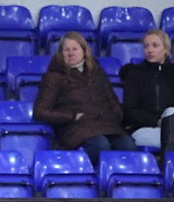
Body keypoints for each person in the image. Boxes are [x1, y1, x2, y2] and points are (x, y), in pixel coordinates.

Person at [33, 32, 136, 166]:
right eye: (66, 49)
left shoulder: (97, 72)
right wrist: (72, 117)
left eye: (75, 49)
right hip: (76, 128)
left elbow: (112, 100)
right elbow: (40, 111)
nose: (70, 53)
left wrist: (115, 116)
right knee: (101, 145)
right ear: (60, 53)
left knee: (128, 145)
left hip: (107, 125)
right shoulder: (54, 77)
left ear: (84, 51)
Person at [121, 28, 174, 153]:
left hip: (171, 125)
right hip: (143, 128)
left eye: (155, 46)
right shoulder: (134, 73)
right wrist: (157, 121)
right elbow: (130, 111)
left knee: (171, 112)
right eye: (146, 46)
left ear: (166, 49)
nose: (149, 50)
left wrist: (167, 122)